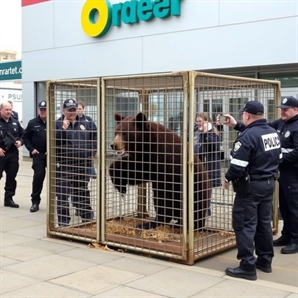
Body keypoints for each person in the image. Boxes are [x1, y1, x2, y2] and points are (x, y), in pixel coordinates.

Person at [221, 101, 281, 281]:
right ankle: (265, 260)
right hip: (268, 184)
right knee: (263, 224)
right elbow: (279, 157)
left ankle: (247, 265)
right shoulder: (273, 133)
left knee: (245, 225)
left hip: (250, 188)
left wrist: (226, 178)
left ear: (247, 115)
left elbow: (238, 166)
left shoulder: (246, 137)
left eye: (242, 115)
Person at [55, 99, 97, 227]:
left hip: (82, 164)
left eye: (74, 110)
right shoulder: (57, 123)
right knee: (62, 193)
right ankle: (63, 222)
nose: (72, 112)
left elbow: (94, 136)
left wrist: (92, 150)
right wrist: (63, 129)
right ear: (63, 111)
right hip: (65, 164)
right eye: (69, 110)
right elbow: (53, 142)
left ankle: (87, 217)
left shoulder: (85, 121)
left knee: (82, 191)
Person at [269, 96, 298, 254]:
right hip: (284, 173)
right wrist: (237, 125)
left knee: (295, 207)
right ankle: (286, 235)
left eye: (285, 109)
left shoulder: (296, 126)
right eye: (281, 108)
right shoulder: (281, 122)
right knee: (285, 206)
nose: (282, 111)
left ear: (296, 110)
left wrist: (279, 158)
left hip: (293, 173)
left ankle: (296, 239)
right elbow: (264, 128)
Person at [194, 112, 221, 215]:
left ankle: (206, 210)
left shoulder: (213, 134)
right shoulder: (196, 130)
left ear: (206, 121)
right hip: (197, 164)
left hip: (209, 167)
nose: (198, 123)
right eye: (197, 121)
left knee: (206, 188)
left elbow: (214, 146)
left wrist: (206, 132)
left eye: (200, 121)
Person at [23, 101, 47, 212]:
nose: (43, 111)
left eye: (45, 109)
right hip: (39, 154)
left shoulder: (54, 122)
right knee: (38, 177)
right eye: (41, 109)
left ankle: (59, 202)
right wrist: (31, 149)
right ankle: (35, 202)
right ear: (38, 110)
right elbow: (25, 137)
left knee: (57, 179)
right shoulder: (33, 123)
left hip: (52, 155)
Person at [0, 101, 24, 208]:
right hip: (1, 155)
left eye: (10, 109)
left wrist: (20, 142)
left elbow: (23, 134)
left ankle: (9, 199)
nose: (9, 111)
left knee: (11, 177)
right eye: (6, 109)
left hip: (13, 154)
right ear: (1, 110)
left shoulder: (15, 122)